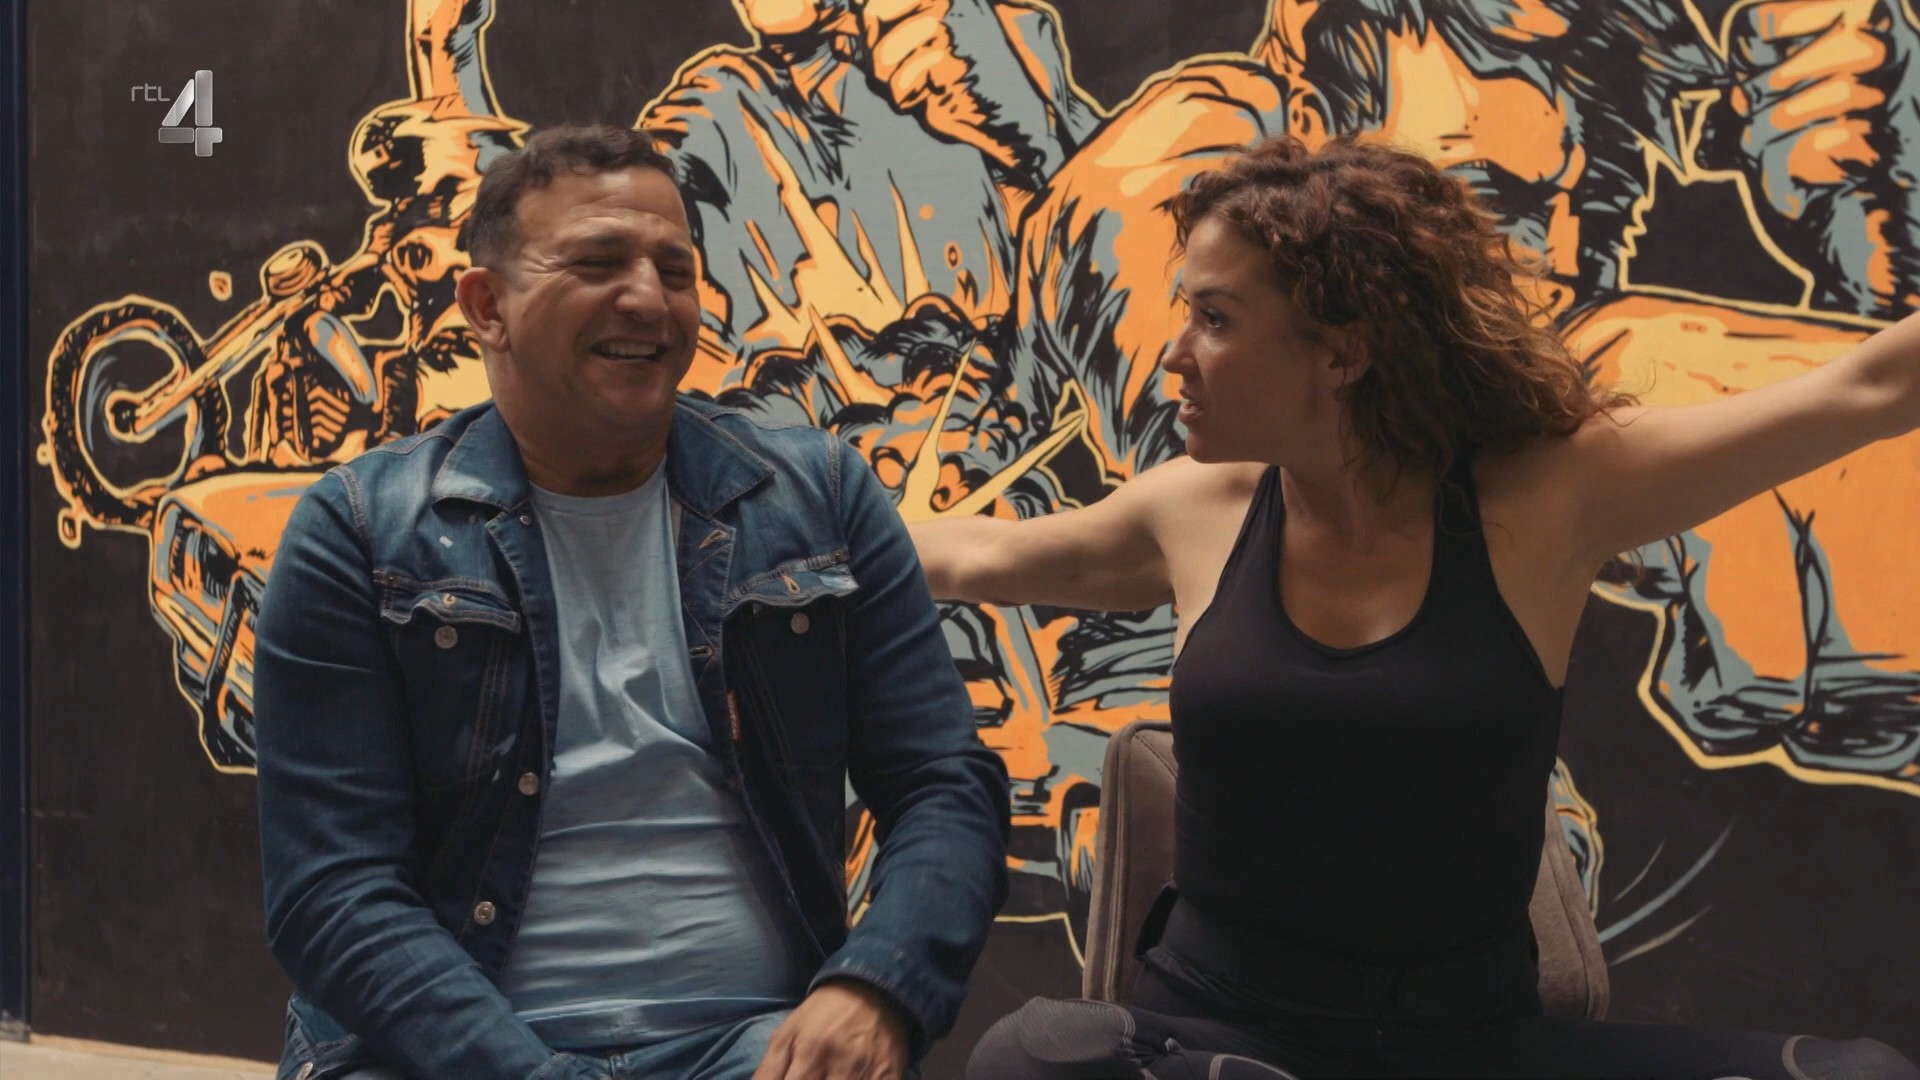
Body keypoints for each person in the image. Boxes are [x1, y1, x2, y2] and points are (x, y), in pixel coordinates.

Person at [913, 135, 1920, 1078]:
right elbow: (967, 553)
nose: (1174, 355)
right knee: (1029, 1056)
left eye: (1215, 320)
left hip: (1474, 1047)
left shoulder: (1550, 498)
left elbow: (1869, 389)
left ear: (1341, 353)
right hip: (1221, 1038)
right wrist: (811, 500)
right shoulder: (1192, 512)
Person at [251, 124, 1009, 1080]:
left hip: (755, 1048)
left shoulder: (820, 497)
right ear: (487, 306)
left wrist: (877, 988)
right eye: (598, 262)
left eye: (674, 269)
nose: (649, 298)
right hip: (446, 1061)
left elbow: (944, 784)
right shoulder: (360, 531)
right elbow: (333, 891)